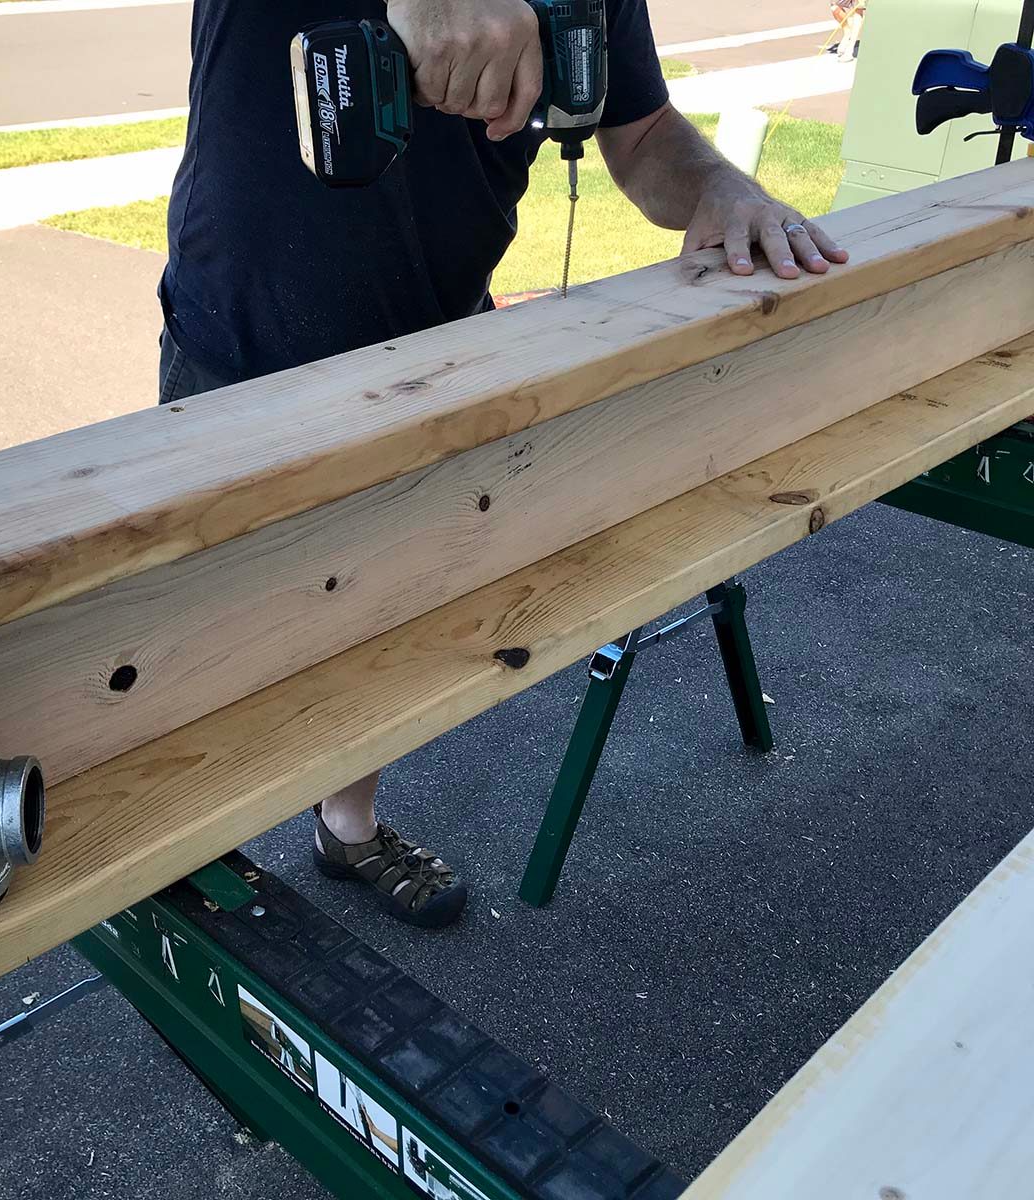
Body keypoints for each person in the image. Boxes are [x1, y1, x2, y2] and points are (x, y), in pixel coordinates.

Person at [158, 0, 848, 930]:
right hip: (239, 354)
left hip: (438, 363)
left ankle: (346, 824)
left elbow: (642, 133)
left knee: (389, 617)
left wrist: (719, 187)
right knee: (210, 645)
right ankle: (187, 852)